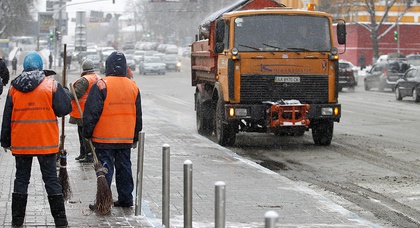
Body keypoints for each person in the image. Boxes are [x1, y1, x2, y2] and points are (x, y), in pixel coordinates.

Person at [0, 52, 72, 227]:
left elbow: (7, 116)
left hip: (21, 144)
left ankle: (17, 221)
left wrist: (5, 140)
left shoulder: (14, 88)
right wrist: (64, 93)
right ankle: (61, 222)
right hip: (45, 143)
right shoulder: (51, 85)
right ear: (40, 66)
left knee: (21, 180)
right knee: (51, 181)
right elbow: (64, 109)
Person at [83, 51, 142, 210]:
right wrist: (135, 136)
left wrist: (87, 132)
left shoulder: (102, 85)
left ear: (108, 66)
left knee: (105, 168)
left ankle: (103, 201)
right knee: (124, 168)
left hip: (104, 137)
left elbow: (92, 112)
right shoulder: (133, 86)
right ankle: (125, 198)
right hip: (125, 138)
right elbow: (138, 115)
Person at [68, 58, 101, 163]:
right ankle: (84, 153)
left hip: (82, 111)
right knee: (86, 133)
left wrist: (66, 92)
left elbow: (76, 94)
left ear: (83, 68)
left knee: (83, 134)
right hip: (93, 111)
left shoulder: (84, 80)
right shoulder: (97, 78)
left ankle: (88, 155)